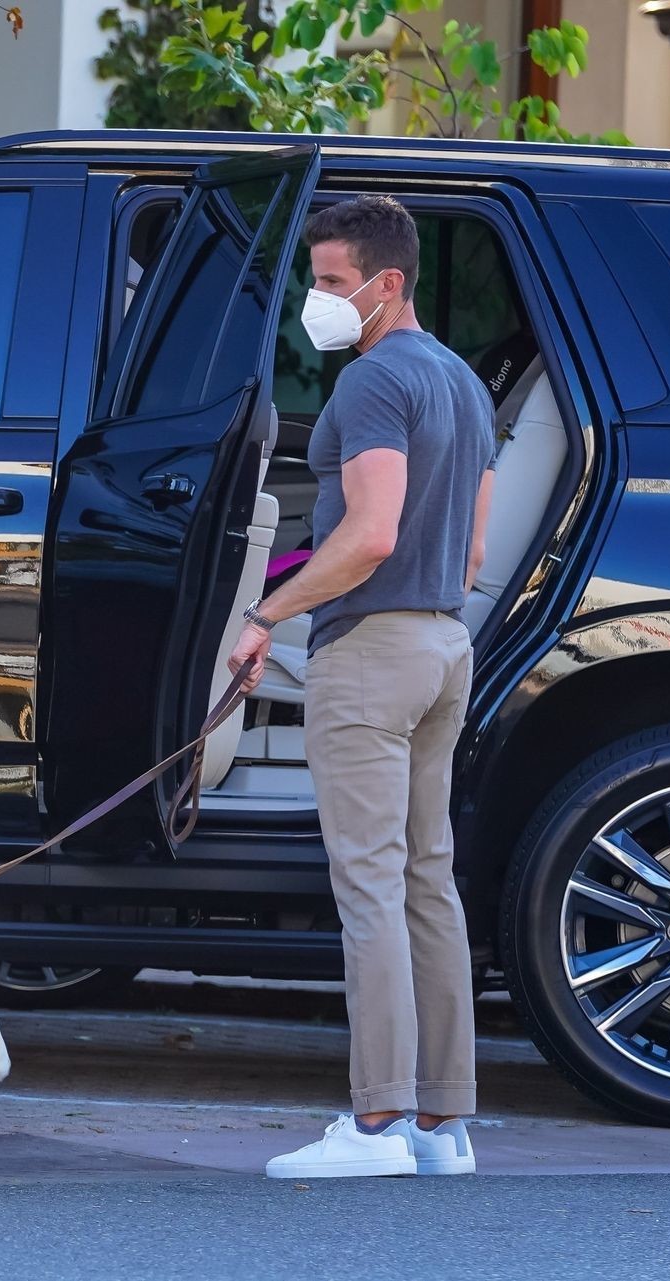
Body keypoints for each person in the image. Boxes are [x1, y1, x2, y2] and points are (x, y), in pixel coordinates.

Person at [227, 195, 496, 1179]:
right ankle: (441, 1126)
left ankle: (376, 1124)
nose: (321, 299)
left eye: (335, 282)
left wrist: (265, 615)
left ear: (388, 283)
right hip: (443, 645)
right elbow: (471, 553)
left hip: (373, 655)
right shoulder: (462, 383)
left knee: (371, 884)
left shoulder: (375, 380)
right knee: (428, 879)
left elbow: (370, 533)